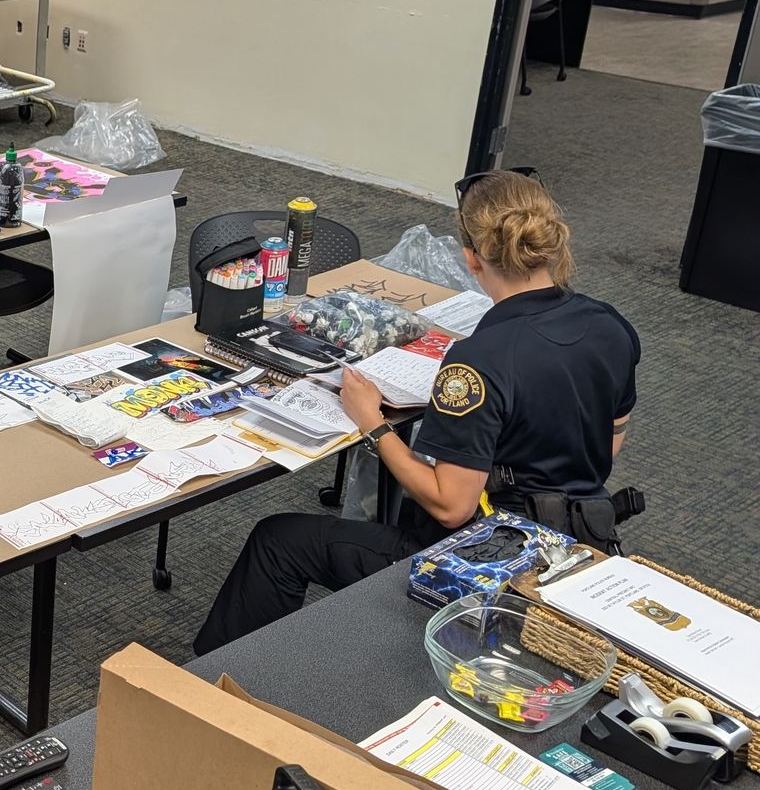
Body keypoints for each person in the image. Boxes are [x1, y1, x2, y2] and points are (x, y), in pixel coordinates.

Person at [195, 170, 639, 655]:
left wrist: (372, 422)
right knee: (406, 501)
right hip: (576, 535)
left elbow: (452, 508)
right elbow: (608, 442)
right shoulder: (610, 325)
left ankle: (214, 685)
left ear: (471, 257)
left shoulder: (480, 360)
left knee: (278, 539)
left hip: (491, 557)